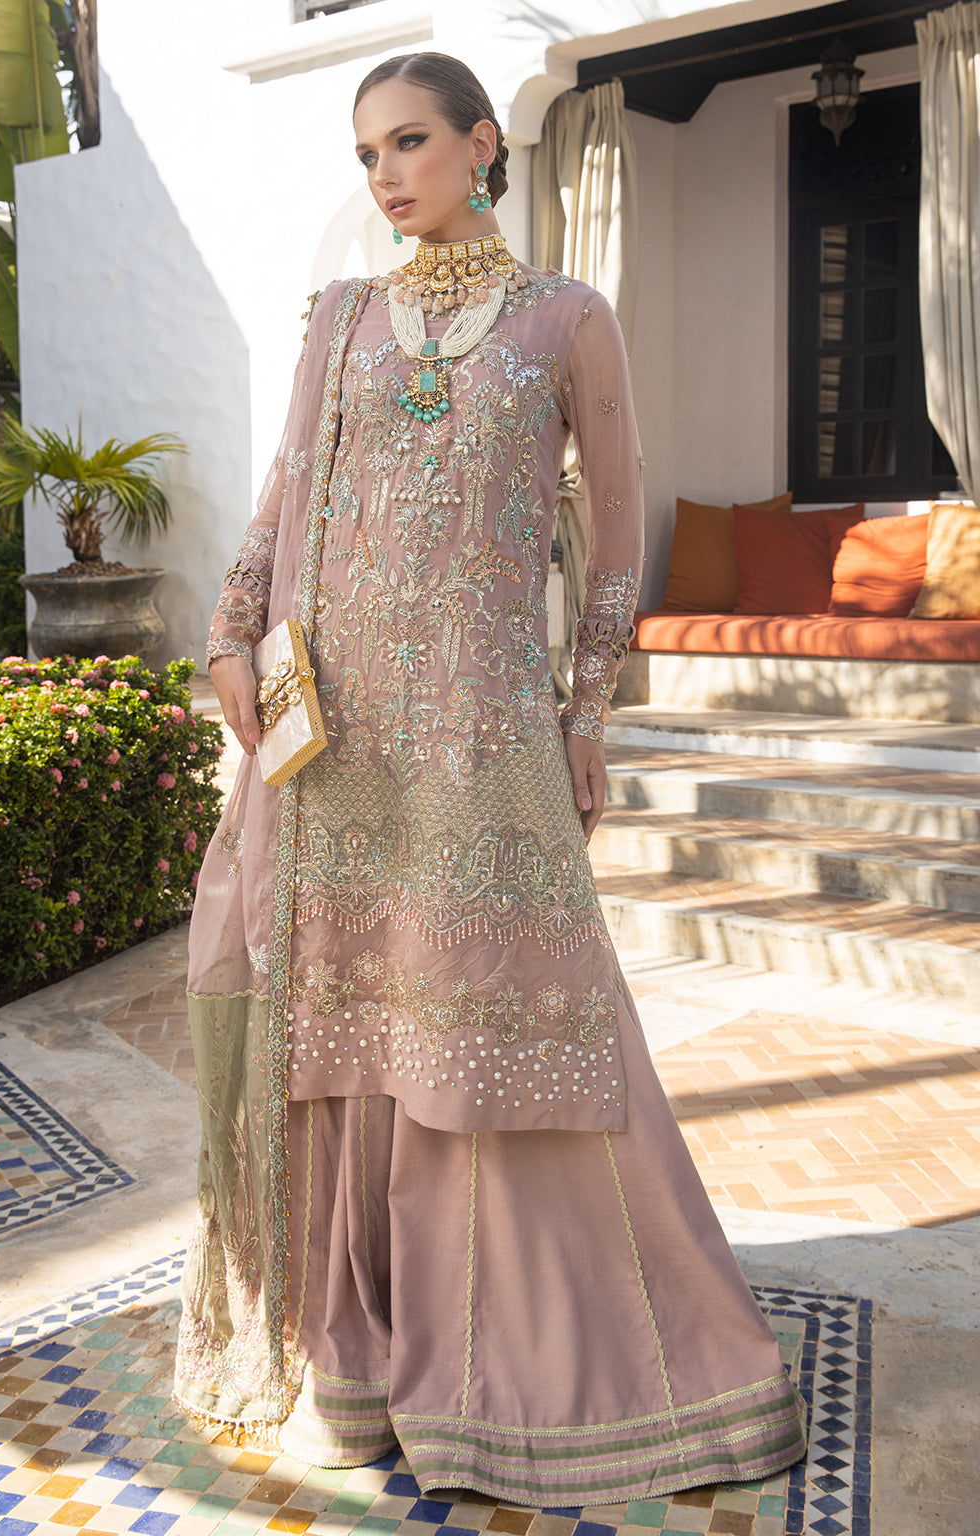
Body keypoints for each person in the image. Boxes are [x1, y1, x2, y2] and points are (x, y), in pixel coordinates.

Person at [174, 51, 807, 1506]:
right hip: (339, 743)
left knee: (501, 1025)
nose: (387, 175)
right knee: (347, 1029)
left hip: (484, 735)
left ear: (481, 146)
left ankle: (507, 1370)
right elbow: (281, 502)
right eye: (367, 154)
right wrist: (227, 635)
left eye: (410, 142)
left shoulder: (567, 319)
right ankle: (353, 1356)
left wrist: (586, 710)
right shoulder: (341, 319)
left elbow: (616, 533)